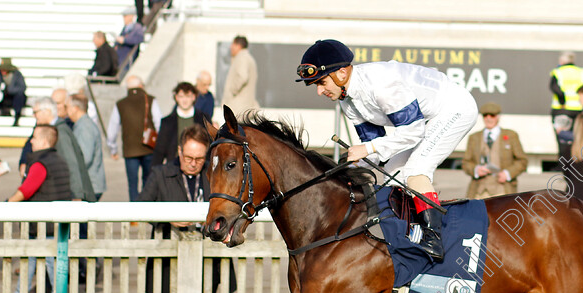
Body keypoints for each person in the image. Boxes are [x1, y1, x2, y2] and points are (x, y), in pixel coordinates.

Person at [296, 39, 478, 261]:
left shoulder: (381, 84)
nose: (319, 91)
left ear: (341, 73)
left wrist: (365, 150)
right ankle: (409, 234)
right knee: (391, 173)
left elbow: (412, 132)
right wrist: (351, 166)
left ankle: (434, 239)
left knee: (415, 170)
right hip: (425, 120)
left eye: (321, 82)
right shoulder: (347, 101)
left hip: (454, 109)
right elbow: (376, 148)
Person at [139, 124, 236, 293]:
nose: (193, 163)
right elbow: (141, 207)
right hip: (170, 258)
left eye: (199, 159)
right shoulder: (160, 174)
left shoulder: (216, 174)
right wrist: (168, 219)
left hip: (207, 257)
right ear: (179, 151)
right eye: (188, 158)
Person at [7, 125, 72, 293]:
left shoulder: (40, 163)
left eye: (34, 138)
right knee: (31, 257)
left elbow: (26, 190)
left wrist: (9, 203)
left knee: (50, 262)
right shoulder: (59, 160)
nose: (31, 141)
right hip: (55, 220)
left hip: (44, 222)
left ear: (44, 141)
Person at [24, 97, 95, 202]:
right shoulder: (53, 130)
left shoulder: (60, 133)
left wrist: (76, 196)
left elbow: (71, 164)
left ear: (47, 111)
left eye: (35, 112)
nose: (34, 115)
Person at [107, 75, 161, 201]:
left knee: (132, 184)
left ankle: (134, 217)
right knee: (148, 181)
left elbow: (112, 130)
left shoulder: (120, 104)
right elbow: (159, 122)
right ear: (141, 85)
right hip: (149, 147)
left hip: (130, 150)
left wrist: (113, 149)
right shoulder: (151, 100)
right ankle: (147, 209)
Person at [461, 102, 527, 199]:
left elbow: (522, 160)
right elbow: (466, 162)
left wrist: (508, 173)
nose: (488, 118)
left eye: (492, 115)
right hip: (479, 192)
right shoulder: (474, 137)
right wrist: (476, 170)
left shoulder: (511, 135)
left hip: (503, 190)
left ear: (498, 117)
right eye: (485, 115)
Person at [152, 82, 207, 166]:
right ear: (176, 98)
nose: (184, 100)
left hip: (198, 166)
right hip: (174, 167)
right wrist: (153, 174)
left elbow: (209, 146)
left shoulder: (204, 119)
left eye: (188, 96)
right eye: (181, 96)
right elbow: (159, 151)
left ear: (194, 97)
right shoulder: (167, 122)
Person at [67, 94, 105, 200]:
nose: (66, 111)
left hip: (90, 185)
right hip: (89, 184)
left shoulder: (85, 127)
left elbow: (84, 157)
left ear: (75, 108)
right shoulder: (82, 124)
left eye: (67, 107)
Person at [549, 51, 583, 141]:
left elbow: (555, 88)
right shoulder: (582, 72)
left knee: (562, 137)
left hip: (562, 109)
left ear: (562, 61)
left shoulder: (558, 72)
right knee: (577, 137)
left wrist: (562, 101)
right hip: (579, 110)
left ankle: (564, 155)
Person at [0, 58, 26, 126]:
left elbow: (22, 88)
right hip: (2, 97)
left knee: (20, 96)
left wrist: (9, 90)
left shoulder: (17, 75)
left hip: (13, 97)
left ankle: (17, 116)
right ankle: (0, 108)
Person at [222, 35, 258, 116]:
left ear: (238, 45)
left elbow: (242, 77)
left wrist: (232, 91)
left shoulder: (242, 57)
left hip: (238, 108)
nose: (231, 47)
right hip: (244, 108)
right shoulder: (248, 58)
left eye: (232, 44)